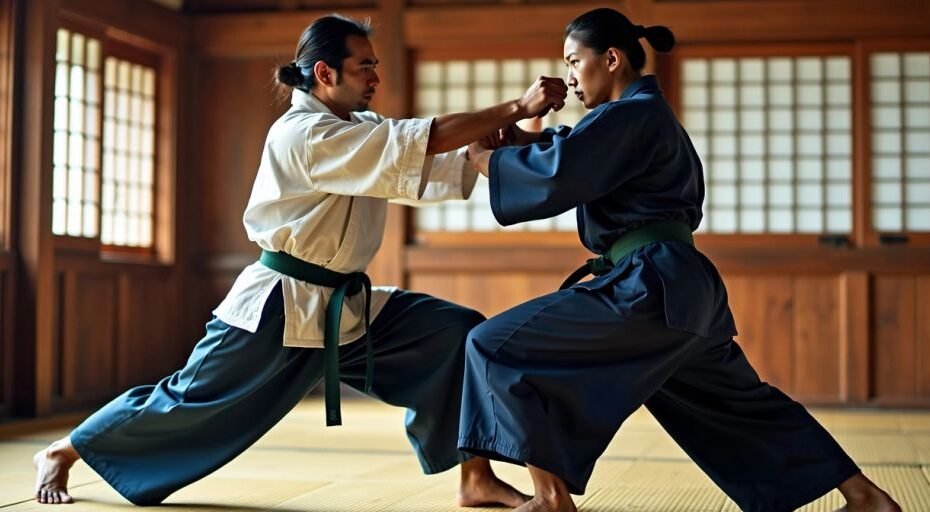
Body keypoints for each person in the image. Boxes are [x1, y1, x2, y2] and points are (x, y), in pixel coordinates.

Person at [32, 14, 568, 506]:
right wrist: (513, 108)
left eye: (376, 66)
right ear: (324, 73)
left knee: (455, 334)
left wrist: (498, 143)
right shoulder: (304, 133)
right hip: (278, 308)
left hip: (348, 306)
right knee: (187, 401)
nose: (375, 77)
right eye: (365, 67)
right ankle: (64, 451)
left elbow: (426, 166)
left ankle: (473, 476)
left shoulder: (356, 130)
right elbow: (410, 142)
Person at [458, 7, 902, 512]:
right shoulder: (638, 117)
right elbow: (572, 152)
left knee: (495, 346)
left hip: (649, 285)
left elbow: (563, 174)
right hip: (685, 289)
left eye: (574, 61)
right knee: (738, 405)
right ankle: (865, 497)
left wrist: (487, 159)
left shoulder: (632, 114)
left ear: (611, 58)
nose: (570, 77)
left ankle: (549, 496)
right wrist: (521, 141)